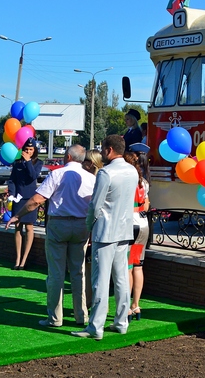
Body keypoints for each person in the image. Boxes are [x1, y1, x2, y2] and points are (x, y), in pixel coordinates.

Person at [6, 145, 96, 327]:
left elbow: (37, 200)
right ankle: (81, 316)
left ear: (69, 157)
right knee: (78, 272)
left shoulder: (57, 174)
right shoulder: (91, 178)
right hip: (81, 226)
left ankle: (55, 318)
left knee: (56, 274)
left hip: (59, 224)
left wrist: (17, 215)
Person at [76, 134, 139, 339]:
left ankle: (96, 327)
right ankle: (121, 321)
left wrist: (88, 226)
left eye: (103, 148)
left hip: (105, 231)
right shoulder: (132, 171)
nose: (102, 152)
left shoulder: (106, 173)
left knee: (100, 280)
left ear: (109, 150)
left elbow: (95, 205)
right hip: (124, 230)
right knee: (120, 278)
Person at [125, 148, 151, 321]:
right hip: (143, 225)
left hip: (129, 224)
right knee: (138, 265)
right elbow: (147, 207)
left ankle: (126, 306)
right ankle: (136, 305)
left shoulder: (126, 180)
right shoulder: (145, 183)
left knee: (127, 267)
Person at [8, 140, 43, 270]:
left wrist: (28, 161)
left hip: (30, 199)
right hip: (18, 198)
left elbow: (33, 176)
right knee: (17, 227)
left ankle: (24, 260)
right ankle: (17, 259)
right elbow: (12, 180)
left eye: (31, 150)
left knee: (29, 227)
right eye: (26, 149)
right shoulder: (17, 163)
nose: (28, 152)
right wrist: (12, 193)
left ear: (35, 151)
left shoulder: (38, 163)